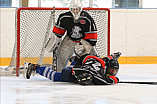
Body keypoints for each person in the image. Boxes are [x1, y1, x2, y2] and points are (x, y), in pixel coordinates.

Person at [45, 0, 98, 72]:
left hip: (83, 41)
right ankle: (60, 73)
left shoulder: (87, 18)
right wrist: (53, 42)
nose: (75, 11)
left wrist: (85, 47)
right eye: (74, 9)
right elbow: (57, 33)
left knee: (93, 58)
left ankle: (93, 71)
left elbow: (92, 37)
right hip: (69, 39)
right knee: (61, 57)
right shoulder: (64, 17)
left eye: (77, 9)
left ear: (80, 9)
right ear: (70, 9)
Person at [26, 52, 121, 85]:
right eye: (111, 70)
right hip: (75, 70)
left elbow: (106, 59)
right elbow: (102, 81)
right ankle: (35, 67)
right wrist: (114, 80)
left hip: (87, 58)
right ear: (107, 67)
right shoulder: (98, 72)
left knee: (74, 67)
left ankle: (75, 60)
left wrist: (112, 56)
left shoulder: (103, 62)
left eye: (115, 71)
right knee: (55, 77)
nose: (113, 72)